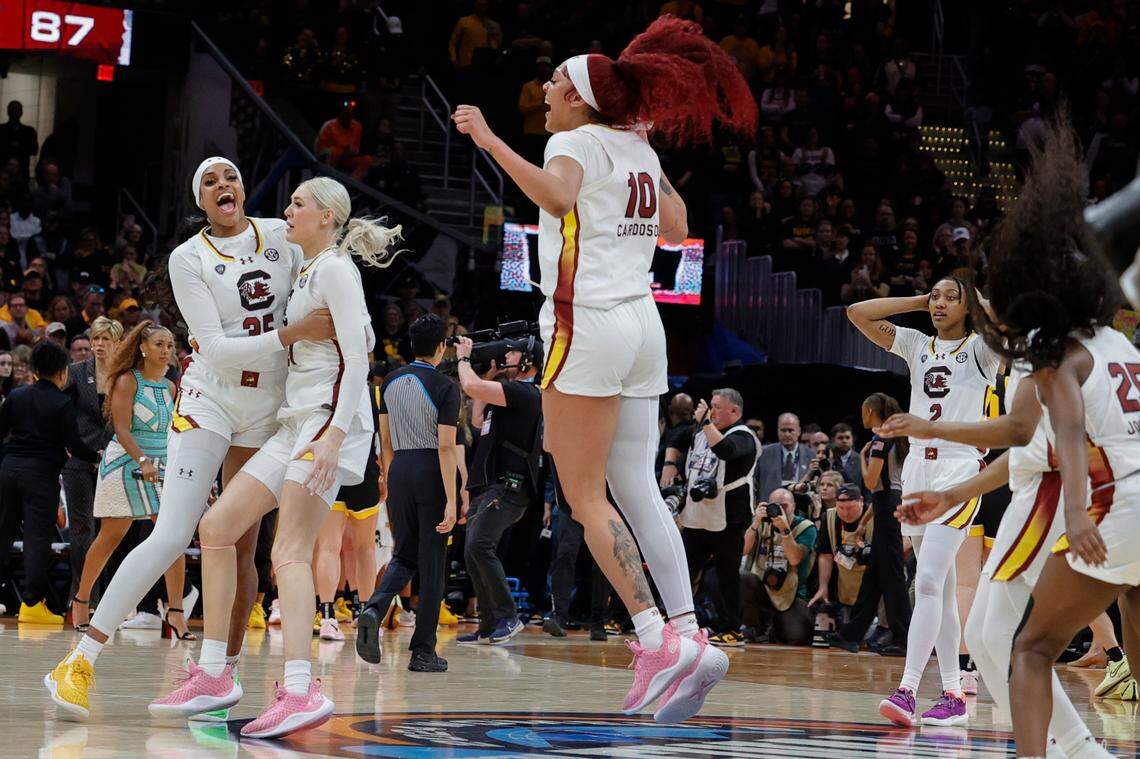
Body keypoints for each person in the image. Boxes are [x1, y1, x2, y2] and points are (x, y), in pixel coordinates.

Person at [452, 15, 755, 722]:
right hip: (644, 325)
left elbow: (554, 197)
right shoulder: (635, 147)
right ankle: (689, 632)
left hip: (584, 320)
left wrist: (489, 138)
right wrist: (646, 154)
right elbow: (677, 229)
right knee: (636, 486)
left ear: (583, 98)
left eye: (557, 79)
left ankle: (654, 636)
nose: (547, 88)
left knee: (584, 494)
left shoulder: (574, 140)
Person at [45, 158, 335, 722]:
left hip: (270, 408)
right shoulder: (189, 258)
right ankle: (80, 660)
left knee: (241, 546)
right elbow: (216, 348)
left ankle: (216, 673)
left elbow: (332, 259)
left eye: (230, 177)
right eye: (209, 181)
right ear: (199, 200)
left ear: (245, 189)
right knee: (174, 533)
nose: (222, 185)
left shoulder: (283, 234)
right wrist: (295, 333)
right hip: (212, 399)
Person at [151, 177, 396, 738]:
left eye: (298, 203)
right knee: (216, 526)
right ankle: (214, 671)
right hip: (295, 420)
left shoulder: (335, 270)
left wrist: (334, 437)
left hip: (325, 423)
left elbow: (358, 361)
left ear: (326, 217)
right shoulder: (308, 269)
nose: (286, 210)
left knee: (289, 548)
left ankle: (302, 686)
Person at [978, 116, 1140, 759]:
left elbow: (1068, 433)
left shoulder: (1060, 357)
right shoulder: (1123, 341)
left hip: (1120, 503)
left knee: (1031, 647)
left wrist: (1076, 512)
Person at [884, 371, 1115, 757]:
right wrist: (951, 493)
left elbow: (1022, 432)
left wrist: (930, 429)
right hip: (1032, 484)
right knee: (982, 628)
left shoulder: (1044, 351)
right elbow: (1025, 447)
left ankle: (1070, 745)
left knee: (1007, 635)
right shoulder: (1078, 352)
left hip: (1058, 489)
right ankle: (1060, 742)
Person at [848, 278, 1002, 728]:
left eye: (950, 297)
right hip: (917, 467)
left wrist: (975, 300)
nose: (939, 303)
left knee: (930, 582)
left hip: (959, 468)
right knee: (943, 588)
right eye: (935, 296)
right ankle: (953, 693)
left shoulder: (981, 349)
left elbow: (1010, 324)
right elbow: (858, 313)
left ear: (968, 305)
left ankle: (908, 689)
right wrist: (920, 301)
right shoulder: (917, 344)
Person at [71, 322, 190, 638]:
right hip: (126, 461)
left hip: (161, 463)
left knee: (173, 537)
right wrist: (142, 460)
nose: (166, 351)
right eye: (159, 345)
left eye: (169, 345)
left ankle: (176, 611)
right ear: (143, 348)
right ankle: (81, 601)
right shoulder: (127, 381)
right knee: (111, 536)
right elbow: (121, 430)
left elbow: (173, 433)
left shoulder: (171, 387)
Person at [356, 314, 459, 673]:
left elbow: (384, 439)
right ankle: (423, 651)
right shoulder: (445, 386)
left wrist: (389, 475)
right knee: (432, 564)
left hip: (398, 468)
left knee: (404, 554)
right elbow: (446, 447)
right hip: (431, 469)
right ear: (441, 347)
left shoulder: (391, 382)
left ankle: (373, 606)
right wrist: (452, 498)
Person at [453, 334, 543, 645]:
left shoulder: (526, 392)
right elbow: (478, 419)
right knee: (472, 551)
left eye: (514, 353)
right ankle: (489, 624)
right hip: (488, 486)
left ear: (529, 361)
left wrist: (465, 361)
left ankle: (509, 616)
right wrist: (487, 377)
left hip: (508, 486)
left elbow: (470, 387)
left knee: (479, 545)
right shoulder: (505, 395)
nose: (508, 356)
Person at [0, 341, 99, 623]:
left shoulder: (16, 396)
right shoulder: (62, 402)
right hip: (41, 476)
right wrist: (96, 456)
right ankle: (31, 605)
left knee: (3, 532)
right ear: (62, 371)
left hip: (8, 470)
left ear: (33, 370)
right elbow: (75, 444)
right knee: (36, 537)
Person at [676, 389, 759, 647]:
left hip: (729, 518)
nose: (711, 411)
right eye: (710, 406)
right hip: (696, 515)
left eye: (717, 407)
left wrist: (706, 424)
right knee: (684, 571)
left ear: (734, 411)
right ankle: (676, 623)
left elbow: (725, 450)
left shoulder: (745, 436)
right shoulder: (701, 433)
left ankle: (732, 628)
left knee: (727, 576)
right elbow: (681, 449)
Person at [836, 392, 911, 655]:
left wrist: (862, 459)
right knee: (874, 579)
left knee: (892, 578)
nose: (861, 414)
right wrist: (862, 525)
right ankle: (852, 633)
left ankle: (905, 639)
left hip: (889, 509)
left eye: (863, 410)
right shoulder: (895, 438)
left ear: (871, 412)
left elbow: (869, 483)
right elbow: (880, 493)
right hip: (887, 507)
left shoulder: (880, 440)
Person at [62, 316, 122, 624]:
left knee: (111, 532)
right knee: (82, 531)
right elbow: (62, 412)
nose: (98, 345)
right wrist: (70, 446)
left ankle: (111, 601)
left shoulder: (125, 376)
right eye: (95, 339)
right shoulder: (75, 372)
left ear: (117, 343)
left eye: (105, 339)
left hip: (115, 460)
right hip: (78, 461)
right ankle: (82, 599)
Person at [313, 384, 383, 642]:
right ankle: (366, 616)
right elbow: (383, 439)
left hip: (333, 470)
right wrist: (385, 471)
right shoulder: (372, 391)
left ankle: (329, 617)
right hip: (361, 471)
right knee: (364, 548)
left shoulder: (326, 385)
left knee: (328, 547)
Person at [740, 488, 817, 645]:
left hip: (793, 594)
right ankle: (756, 626)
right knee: (741, 576)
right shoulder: (761, 524)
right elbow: (743, 551)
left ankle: (774, 627)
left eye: (785, 506)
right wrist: (755, 523)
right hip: (763, 589)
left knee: (798, 637)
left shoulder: (805, 527)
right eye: (776, 506)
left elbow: (795, 559)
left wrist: (784, 529)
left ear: (794, 506)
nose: (780, 510)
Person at [809, 483, 875, 646]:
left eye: (850, 508)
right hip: (845, 587)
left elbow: (905, 544)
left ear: (861, 501)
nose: (845, 513)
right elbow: (825, 555)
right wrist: (823, 586)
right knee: (847, 637)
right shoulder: (829, 517)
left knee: (867, 638)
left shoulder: (875, 515)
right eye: (841, 508)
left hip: (873, 585)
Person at [754, 412, 814, 501]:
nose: (787, 434)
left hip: (801, 507)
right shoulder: (763, 453)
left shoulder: (811, 455)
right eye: (783, 430)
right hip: (770, 506)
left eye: (790, 430)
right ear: (777, 431)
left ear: (799, 431)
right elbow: (754, 483)